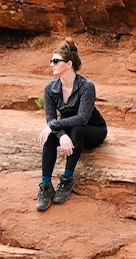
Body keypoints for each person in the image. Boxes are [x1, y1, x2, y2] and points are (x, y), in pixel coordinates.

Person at [37, 38, 107, 211]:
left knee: (76, 130)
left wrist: (55, 127)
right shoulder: (50, 88)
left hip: (94, 130)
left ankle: (67, 179)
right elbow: (51, 118)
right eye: (51, 61)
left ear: (68, 64)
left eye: (55, 61)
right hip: (68, 128)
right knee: (50, 137)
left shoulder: (86, 87)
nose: (51, 64)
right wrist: (60, 134)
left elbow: (83, 118)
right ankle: (46, 185)